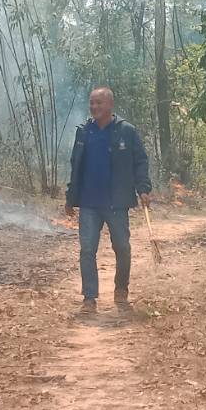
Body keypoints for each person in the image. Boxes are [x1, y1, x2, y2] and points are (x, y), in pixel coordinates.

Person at [65, 87, 152, 312]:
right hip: (89, 202)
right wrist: (70, 197)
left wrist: (143, 188)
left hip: (117, 202)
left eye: (99, 103)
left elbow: (140, 161)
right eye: (92, 103)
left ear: (110, 105)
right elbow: (76, 165)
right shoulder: (84, 132)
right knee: (87, 250)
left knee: (122, 247)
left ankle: (121, 289)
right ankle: (89, 298)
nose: (94, 107)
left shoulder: (126, 131)